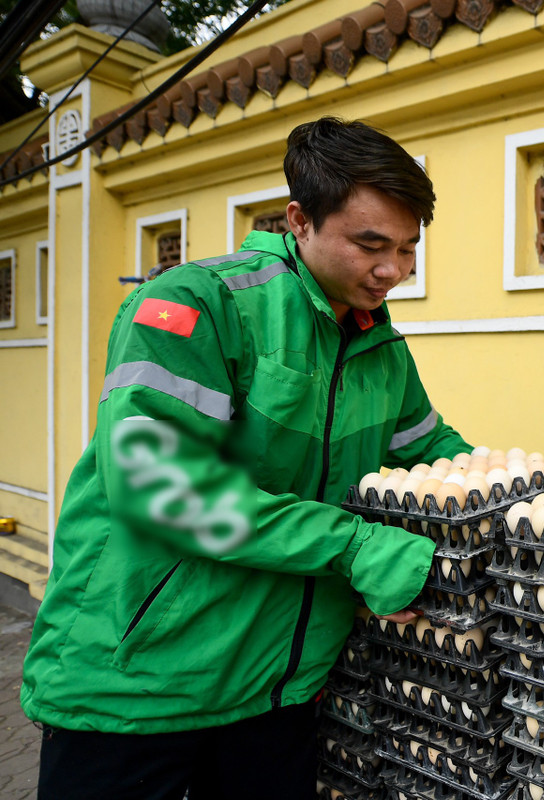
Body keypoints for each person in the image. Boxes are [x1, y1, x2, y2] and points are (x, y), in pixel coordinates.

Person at [21, 117, 471, 799]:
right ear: (300, 220)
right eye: (371, 245)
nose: (394, 270)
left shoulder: (378, 344)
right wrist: (356, 547)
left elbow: (433, 457)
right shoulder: (198, 304)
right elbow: (161, 488)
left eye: (409, 248)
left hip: (278, 691)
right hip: (139, 687)